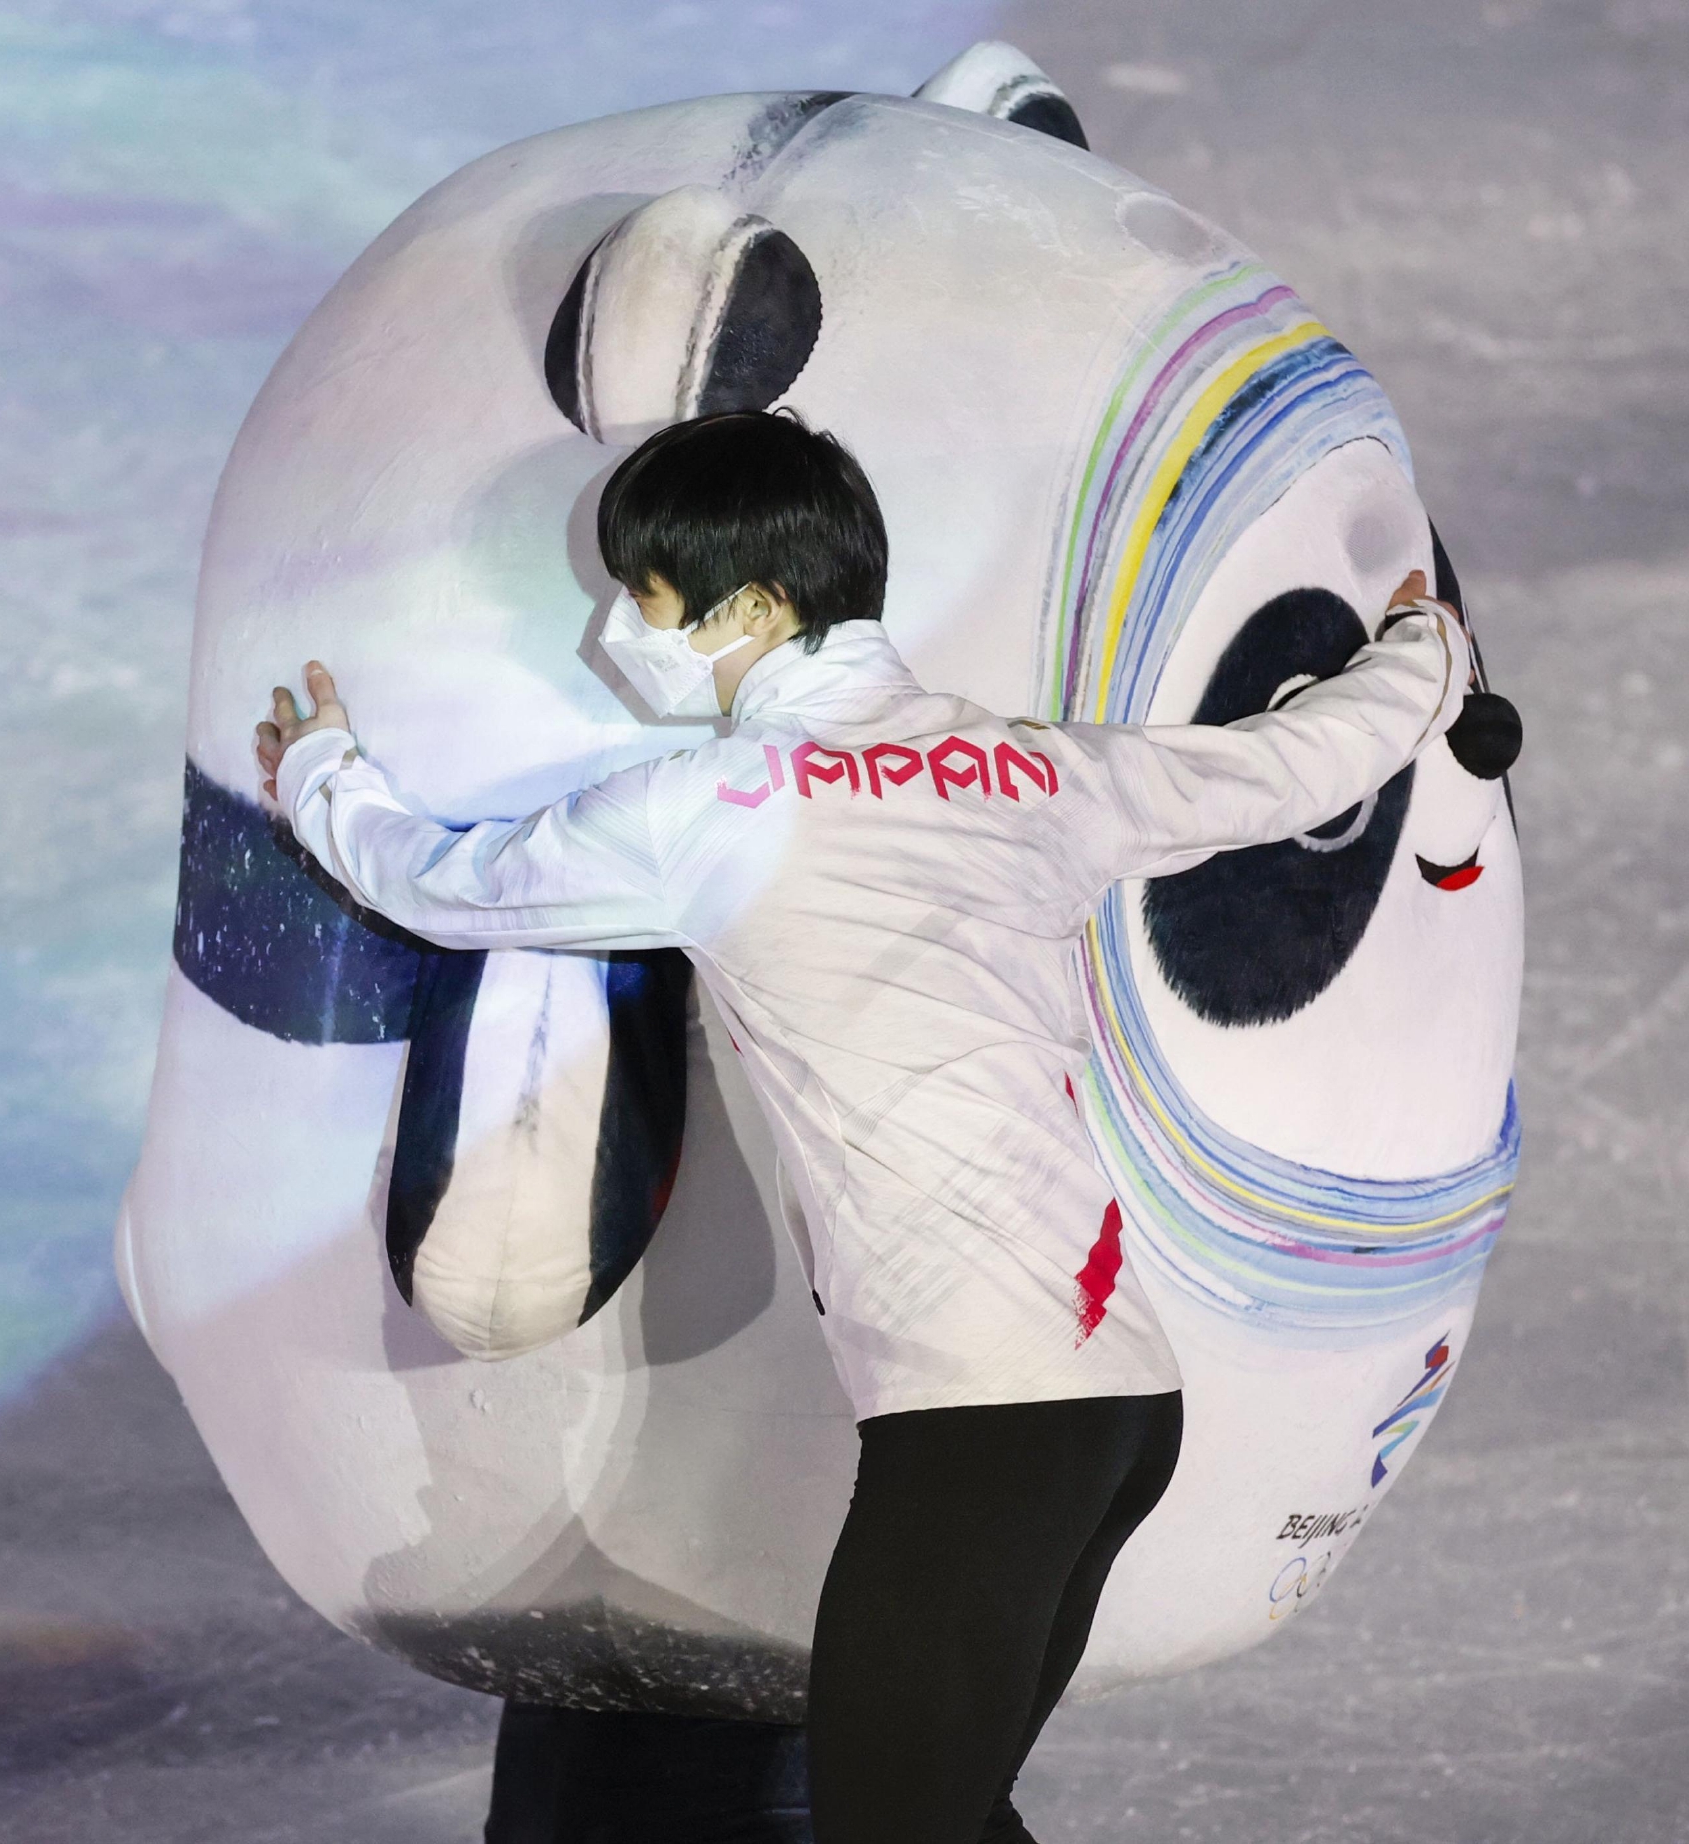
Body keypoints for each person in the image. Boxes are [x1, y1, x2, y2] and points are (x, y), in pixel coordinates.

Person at [254, 410, 1468, 1844]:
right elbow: (1286, 764)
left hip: (977, 1429)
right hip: (1110, 1415)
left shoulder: (718, 809)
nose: (610, 632)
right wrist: (1423, 658)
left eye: (636, 599)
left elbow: (453, 887)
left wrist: (321, 776)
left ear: (755, 609)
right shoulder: (1031, 775)